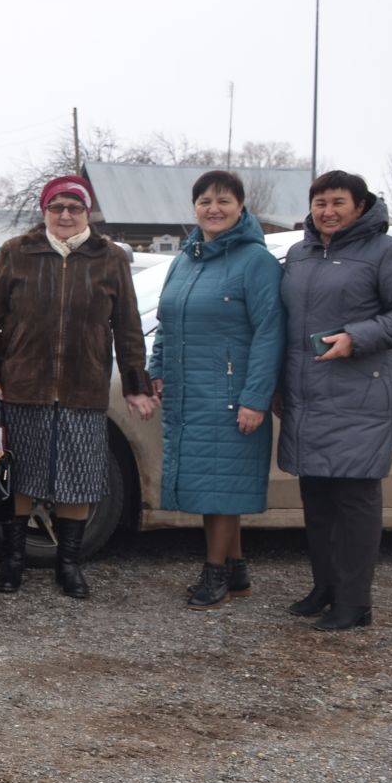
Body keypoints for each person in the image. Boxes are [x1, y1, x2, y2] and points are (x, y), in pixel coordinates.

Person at [0, 175, 156, 598]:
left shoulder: (110, 259)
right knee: (22, 477)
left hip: (83, 387)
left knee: (78, 479)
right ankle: (13, 560)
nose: (66, 215)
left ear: (88, 212)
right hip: (24, 385)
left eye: (75, 207)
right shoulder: (17, 252)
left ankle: (69, 563)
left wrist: (135, 384)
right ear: (45, 211)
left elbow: (128, 327)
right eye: (57, 207)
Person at [276, 170, 392, 631]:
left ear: (360, 206)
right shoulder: (299, 254)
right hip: (307, 392)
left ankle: (355, 602)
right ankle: (325, 587)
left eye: (338, 202)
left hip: (359, 393)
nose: (327, 211)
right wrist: (278, 385)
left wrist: (357, 337)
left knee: (355, 498)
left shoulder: (385, 252)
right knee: (317, 495)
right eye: (320, 202)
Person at [149, 170, 284, 610]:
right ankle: (237, 568)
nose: (214, 208)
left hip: (231, 395)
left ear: (241, 206)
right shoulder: (185, 260)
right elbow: (168, 321)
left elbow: (270, 332)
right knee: (212, 483)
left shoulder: (256, 261)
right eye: (205, 200)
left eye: (224, 200)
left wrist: (255, 398)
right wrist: (157, 368)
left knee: (223, 487)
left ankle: (214, 575)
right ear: (195, 208)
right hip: (191, 393)